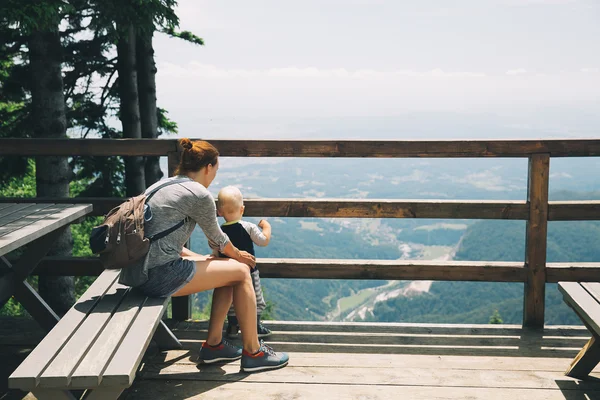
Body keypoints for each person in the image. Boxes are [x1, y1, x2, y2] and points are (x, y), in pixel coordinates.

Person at [118, 138, 289, 373]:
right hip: (157, 275)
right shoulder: (198, 194)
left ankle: (214, 346)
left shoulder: (162, 185)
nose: (214, 177)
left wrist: (205, 258)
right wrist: (239, 255)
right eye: (215, 171)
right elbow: (219, 238)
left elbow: (163, 240)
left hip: (139, 270)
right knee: (239, 271)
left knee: (225, 267)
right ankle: (253, 352)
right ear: (208, 167)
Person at [215, 186, 272, 339]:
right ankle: (256, 327)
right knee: (256, 299)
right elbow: (263, 241)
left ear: (219, 212)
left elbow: (215, 250)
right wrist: (266, 226)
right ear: (242, 209)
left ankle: (233, 327)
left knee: (232, 302)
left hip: (227, 273)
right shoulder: (248, 227)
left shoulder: (219, 232)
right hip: (250, 272)